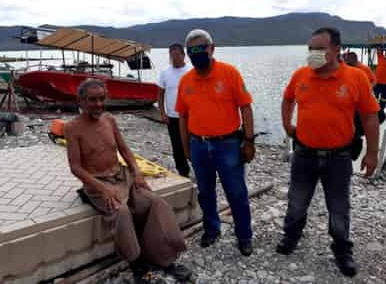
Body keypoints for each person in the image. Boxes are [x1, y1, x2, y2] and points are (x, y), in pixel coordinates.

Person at [64, 79, 191, 283]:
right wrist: (102, 189)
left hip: (123, 177)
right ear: (81, 100)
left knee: (155, 203)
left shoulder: (109, 120)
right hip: (98, 184)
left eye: (101, 99)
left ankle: (164, 258)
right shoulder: (73, 128)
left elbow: (124, 149)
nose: (98, 104)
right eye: (92, 100)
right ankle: (137, 264)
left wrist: (137, 172)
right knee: (122, 212)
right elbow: (75, 167)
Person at [278, 27, 380, 277]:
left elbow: (370, 117)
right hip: (304, 155)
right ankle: (291, 237)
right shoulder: (301, 75)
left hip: (339, 157)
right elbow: (287, 98)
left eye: (320, 49)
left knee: (338, 207)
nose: (313, 53)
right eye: (310, 48)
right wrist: (287, 125)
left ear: (336, 50)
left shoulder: (355, 78)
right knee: (297, 202)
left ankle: (342, 250)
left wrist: (372, 153)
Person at [175, 29, 256, 256]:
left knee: (237, 192)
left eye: (202, 49)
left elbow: (246, 107)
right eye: (192, 51)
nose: (197, 54)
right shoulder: (186, 81)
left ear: (212, 49)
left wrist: (249, 140)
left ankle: (244, 235)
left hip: (228, 144)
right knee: (205, 192)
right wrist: (186, 148)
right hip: (199, 145)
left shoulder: (230, 73)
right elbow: (182, 116)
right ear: (188, 54)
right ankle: (212, 228)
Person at [158, 43, 192, 177]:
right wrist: (163, 113)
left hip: (190, 116)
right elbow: (160, 94)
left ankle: (199, 169)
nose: (174, 58)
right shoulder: (165, 72)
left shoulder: (191, 70)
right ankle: (183, 172)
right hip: (172, 116)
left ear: (183, 55)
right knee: (177, 146)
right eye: (171, 55)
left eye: (177, 55)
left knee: (193, 144)